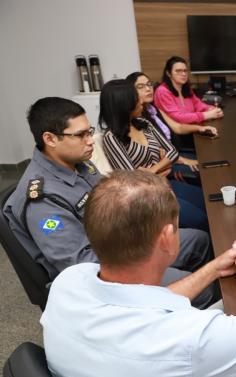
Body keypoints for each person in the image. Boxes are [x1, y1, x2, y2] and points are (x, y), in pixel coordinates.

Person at [41, 170, 236, 377]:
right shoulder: (190, 340)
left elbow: (145, 303)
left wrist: (212, 269)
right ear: (166, 238)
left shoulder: (69, 281)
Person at [2, 98, 212, 290]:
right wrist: (142, 256)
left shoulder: (81, 165)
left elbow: (113, 202)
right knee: (203, 288)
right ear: (50, 139)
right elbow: (80, 265)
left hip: (121, 243)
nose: (91, 140)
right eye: (81, 135)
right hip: (104, 272)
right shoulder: (42, 200)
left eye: (89, 131)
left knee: (199, 241)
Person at [99, 79, 209, 232]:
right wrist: (163, 168)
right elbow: (132, 180)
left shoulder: (144, 123)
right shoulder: (112, 138)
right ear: (124, 105)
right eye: (136, 100)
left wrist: (152, 170)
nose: (141, 103)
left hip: (165, 182)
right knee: (201, 220)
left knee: (207, 203)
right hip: (150, 197)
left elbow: (172, 151)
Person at [126, 71, 218, 177]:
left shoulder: (152, 108)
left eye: (149, 84)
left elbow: (177, 127)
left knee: (211, 156)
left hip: (175, 152)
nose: (148, 89)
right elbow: (159, 153)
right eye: (140, 86)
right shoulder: (138, 119)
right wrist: (184, 161)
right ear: (130, 93)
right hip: (167, 163)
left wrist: (199, 128)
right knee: (206, 170)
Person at [154, 55, 224, 124]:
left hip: (190, 128)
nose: (184, 74)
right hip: (174, 133)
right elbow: (177, 118)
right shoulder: (162, 91)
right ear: (168, 73)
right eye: (178, 71)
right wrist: (206, 115)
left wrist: (211, 109)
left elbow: (197, 104)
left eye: (185, 70)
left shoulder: (186, 87)